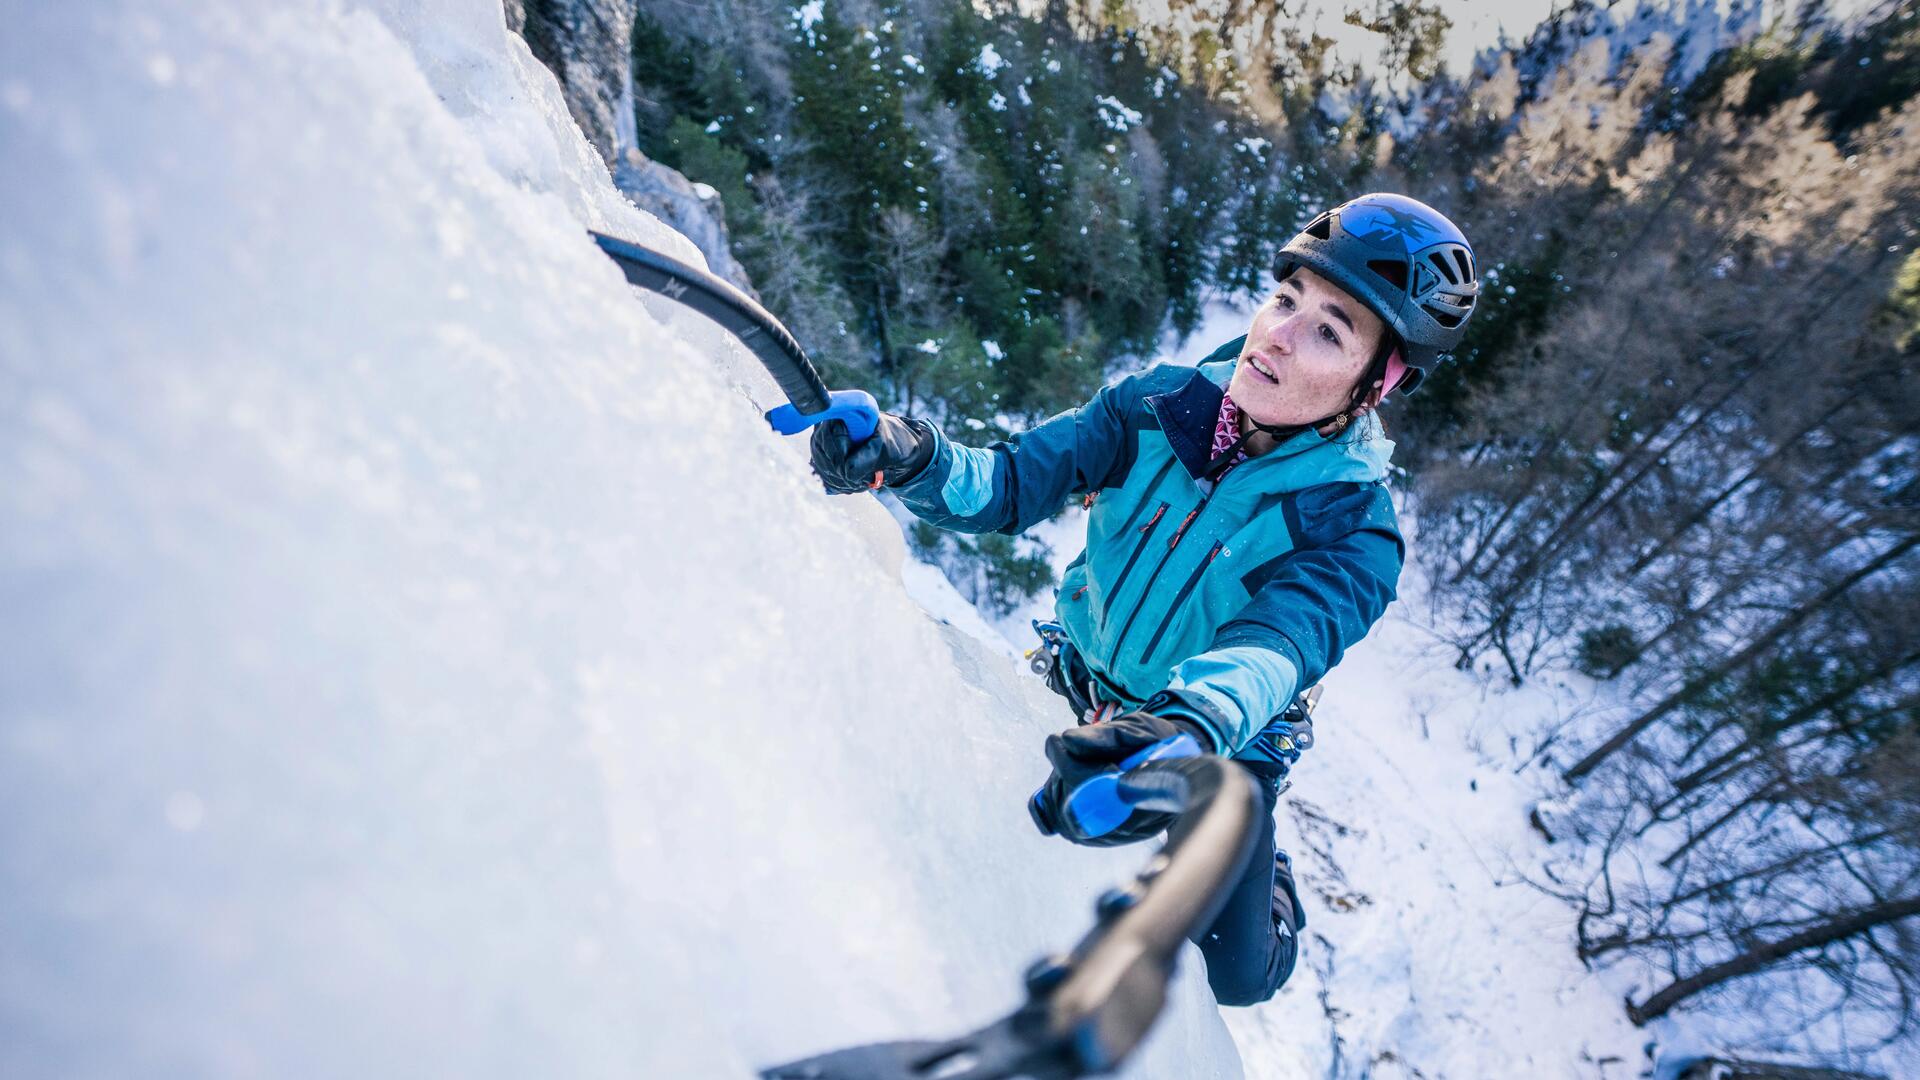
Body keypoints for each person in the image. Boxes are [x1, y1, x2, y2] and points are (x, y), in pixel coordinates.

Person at [810, 193, 1479, 1006]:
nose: (1277, 334)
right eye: (1285, 299)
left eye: (1329, 332)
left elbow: (1273, 648)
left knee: (1234, 976)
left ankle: (1268, 877)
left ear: (1376, 385)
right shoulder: (1155, 407)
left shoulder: (1353, 529)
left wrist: (1187, 727)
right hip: (1075, 680)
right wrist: (908, 453)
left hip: (1214, 746)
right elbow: (1016, 481)